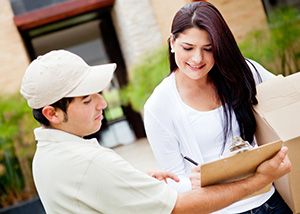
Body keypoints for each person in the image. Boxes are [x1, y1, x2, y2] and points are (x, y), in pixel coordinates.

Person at [20, 49, 291, 214]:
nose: (102, 104)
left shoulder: (46, 157)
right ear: (52, 113)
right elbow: (179, 209)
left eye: (98, 94)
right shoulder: (89, 163)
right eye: (87, 100)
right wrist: (258, 181)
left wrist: (130, 183)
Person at [143, 1, 292, 214]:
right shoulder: (159, 107)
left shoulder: (242, 72)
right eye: (188, 47)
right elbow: (176, 182)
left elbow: (287, 99)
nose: (197, 58)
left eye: (208, 49)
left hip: (270, 201)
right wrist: (196, 182)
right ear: (172, 42)